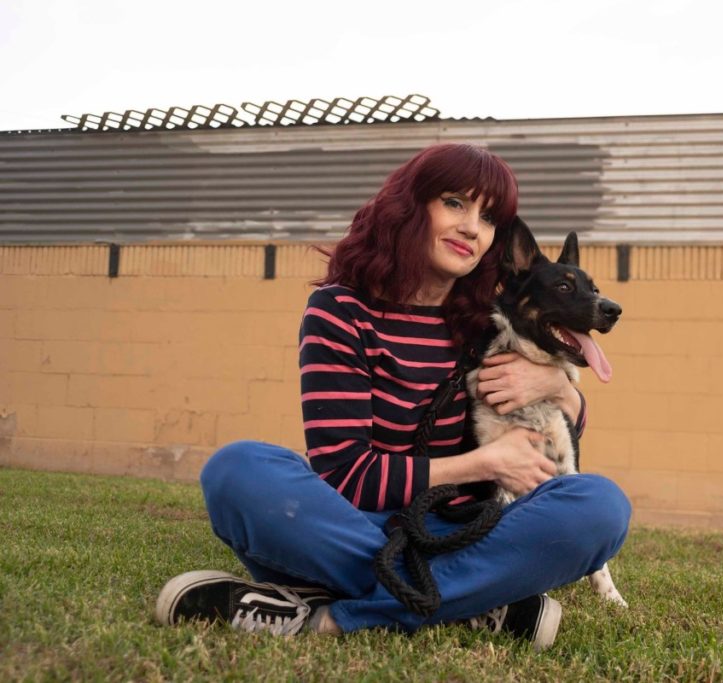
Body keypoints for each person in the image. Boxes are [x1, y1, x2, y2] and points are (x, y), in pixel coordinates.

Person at [154, 143, 631, 650]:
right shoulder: (338, 311)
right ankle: (475, 599)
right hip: (361, 524)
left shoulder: (489, 320)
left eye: (488, 217)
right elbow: (344, 474)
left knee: (600, 506)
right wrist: (483, 463)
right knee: (238, 470)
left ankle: (328, 617)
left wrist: (559, 387)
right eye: (454, 203)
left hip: (471, 528)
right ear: (410, 205)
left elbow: (552, 433)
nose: (472, 227)